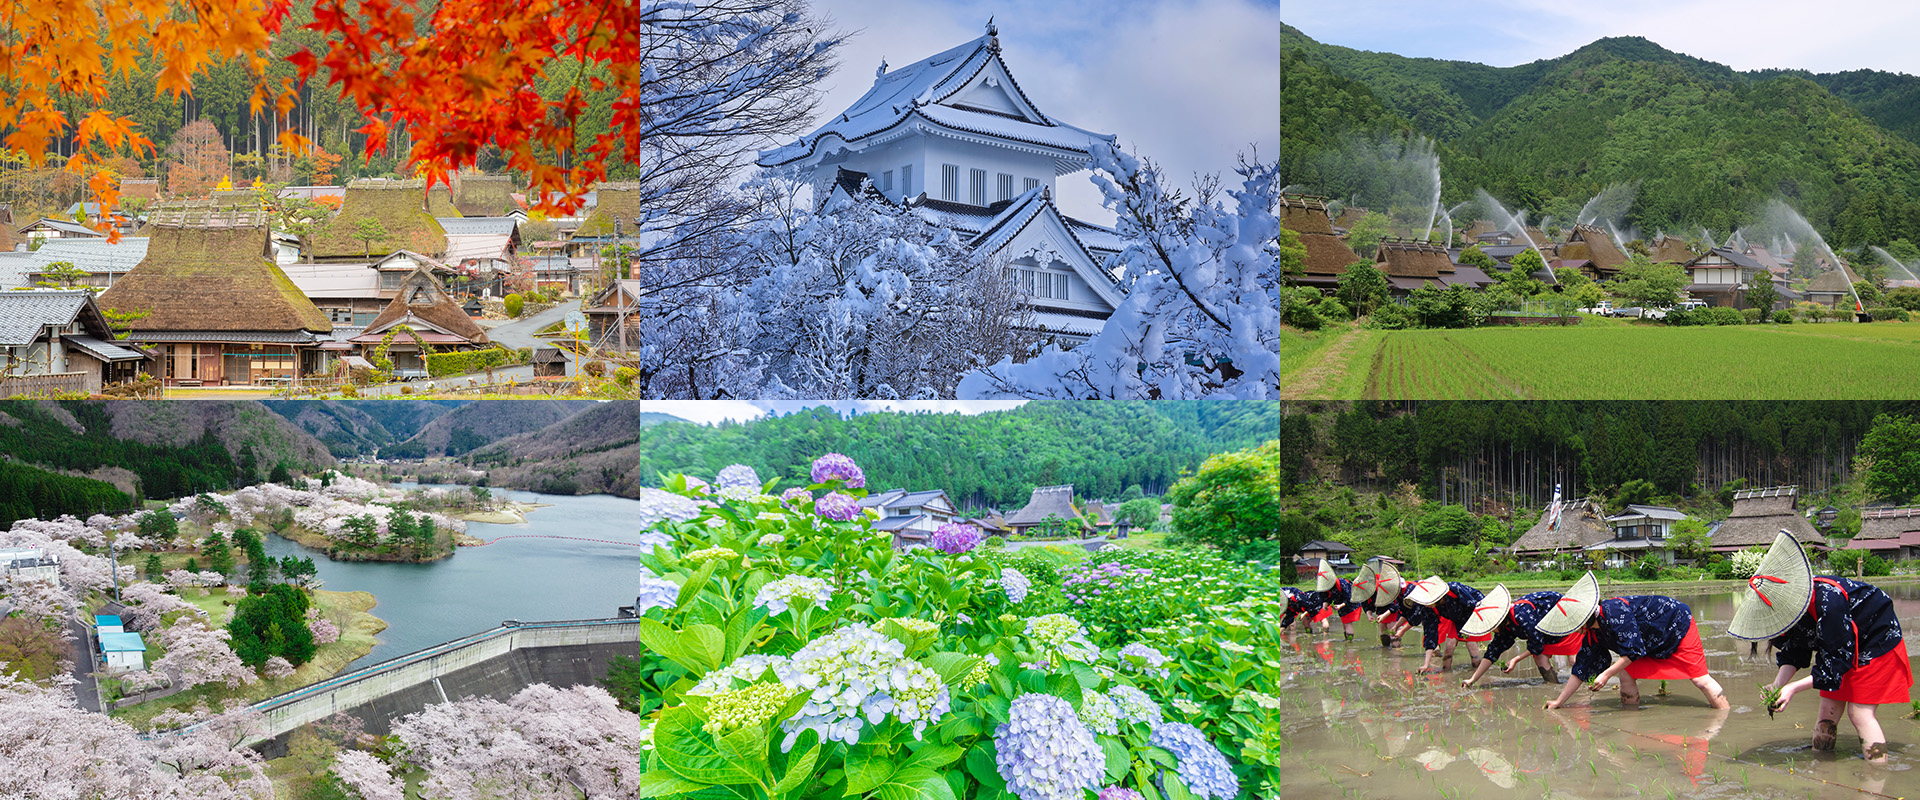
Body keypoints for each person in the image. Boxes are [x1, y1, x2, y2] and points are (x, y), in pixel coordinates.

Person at [1730, 531, 1910, 763]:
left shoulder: (1829, 602)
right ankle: (1822, 763)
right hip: (1841, 646)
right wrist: (1777, 685)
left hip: (1875, 639)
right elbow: (1796, 650)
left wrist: (1792, 688)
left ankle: (1876, 777)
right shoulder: (1796, 609)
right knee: (1828, 711)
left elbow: (1836, 663)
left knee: (1860, 714)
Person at [1536, 571, 1729, 710]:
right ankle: (1630, 716)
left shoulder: (1614, 612)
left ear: (1584, 619)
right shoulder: (1593, 634)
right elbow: (1580, 670)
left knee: (1700, 679)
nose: (1573, 629)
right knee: (1626, 675)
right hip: (1649, 640)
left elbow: (1633, 651)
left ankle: (1724, 715)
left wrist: (1605, 675)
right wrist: (1559, 702)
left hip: (1676, 625)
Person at [1459, 584, 1581, 687]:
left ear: (1499, 620)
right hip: (1547, 630)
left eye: (1491, 627)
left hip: (1564, 617)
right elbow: (1492, 652)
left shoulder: (1522, 615)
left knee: (1574, 660)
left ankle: (1587, 686)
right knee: (1540, 658)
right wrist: (1472, 680)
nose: (1491, 630)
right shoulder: (1505, 628)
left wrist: (1515, 659)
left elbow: (1536, 643)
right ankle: (1554, 686)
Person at [1404, 575, 1488, 673]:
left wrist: (1471, 630)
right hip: (1455, 619)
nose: (1426, 604)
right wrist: (1426, 665)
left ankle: (1478, 674)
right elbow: (1430, 634)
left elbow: (1475, 604)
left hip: (1474, 615)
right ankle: (1446, 673)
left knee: (1473, 651)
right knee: (1448, 649)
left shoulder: (1454, 589)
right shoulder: (1428, 608)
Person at [1355, 560, 1407, 647]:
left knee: (1392, 630)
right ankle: (1386, 651)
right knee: (1383, 631)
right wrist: (1369, 615)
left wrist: (1384, 615)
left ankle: (1396, 653)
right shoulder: (1366, 592)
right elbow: (1366, 604)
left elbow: (1395, 605)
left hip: (1392, 609)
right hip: (1381, 609)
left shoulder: (1384, 587)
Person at [1315, 558, 1364, 640]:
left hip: (1351, 604)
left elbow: (1349, 598)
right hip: (1340, 606)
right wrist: (1325, 604)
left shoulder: (1342, 584)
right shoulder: (1323, 588)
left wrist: (1340, 606)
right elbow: (1325, 597)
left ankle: (1350, 644)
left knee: (1348, 623)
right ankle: (1347, 641)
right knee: (1344, 624)